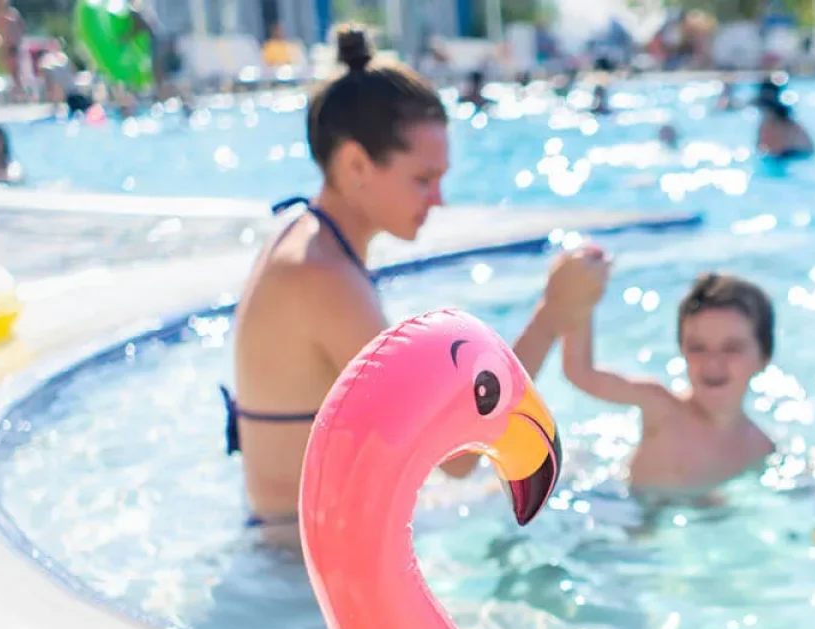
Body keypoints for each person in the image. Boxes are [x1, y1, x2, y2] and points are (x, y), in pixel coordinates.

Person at [224, 26, 606, 530]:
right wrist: (553, 313)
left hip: (297, 542)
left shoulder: (308, 240)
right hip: (297, 570)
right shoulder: (323, 277)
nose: (439, 199)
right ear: (356, 164)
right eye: (423, 179)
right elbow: (462, 456)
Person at [559, 269, 777, 492]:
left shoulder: (760, 447)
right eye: (697, 348)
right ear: (682, 350)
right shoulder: (661, 408)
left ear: (764, 357)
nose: (712, 363)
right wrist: (580, 299)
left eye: (731, 348)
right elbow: (580, 372)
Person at [0, 0, 26, 95]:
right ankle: (16, 91)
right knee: (9, 70)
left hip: (14, 46)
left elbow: (20, 27)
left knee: (16, 70)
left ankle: (20, 91)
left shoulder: (12, 13)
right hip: (5, 47)